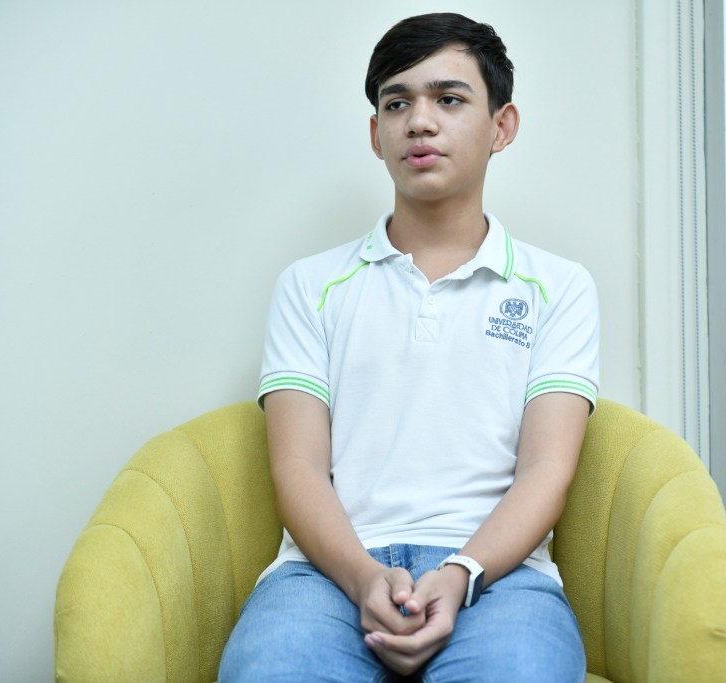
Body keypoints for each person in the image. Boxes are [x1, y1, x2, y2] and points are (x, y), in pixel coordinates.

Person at [219, 12, 599, 682]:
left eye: (449, 99)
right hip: (327, 574)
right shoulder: (310, 285)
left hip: (498, 577)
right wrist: (363, 577)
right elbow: (298, 467)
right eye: (397, 104)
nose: (420, 122)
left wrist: (462, 572)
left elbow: (546, 468)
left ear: (502, 126)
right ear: (376, 133)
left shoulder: (559, 287)